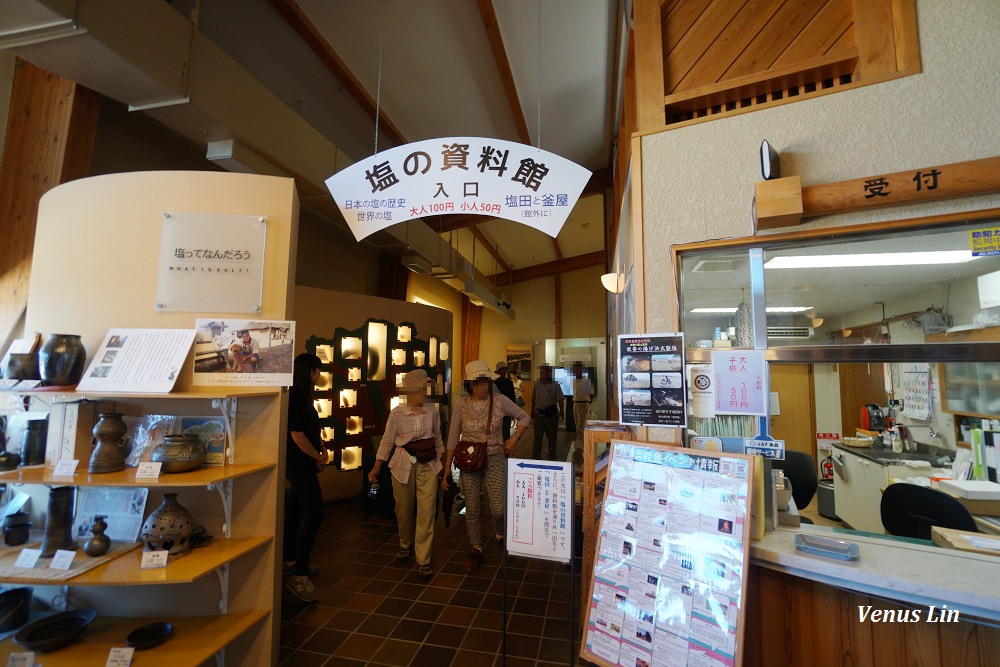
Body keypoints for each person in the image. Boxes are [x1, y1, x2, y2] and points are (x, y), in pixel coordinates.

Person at [443, 359, 530, 573]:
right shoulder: (462, 404)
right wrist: (446, 469)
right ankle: (476, 548)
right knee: (471, 506)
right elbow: (453, 436)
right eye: (477, 382)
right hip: (469, 461)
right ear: (469, 384)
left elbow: (524, 417)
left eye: (485, 381)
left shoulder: (499, 400)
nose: (481, 386)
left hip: (494, 458)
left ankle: (499, 535)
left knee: (499, 508)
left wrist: (513, 439)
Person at [368, 369, 444, 579]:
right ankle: (404, 543)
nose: (424, 392)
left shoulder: (433, 411)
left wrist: (444, 467)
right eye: (420, 388)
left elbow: (438, 438)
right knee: (402, 508)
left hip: (428, 463)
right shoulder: (397, 412)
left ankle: (423, 559)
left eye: (425, 388)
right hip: (402, 464)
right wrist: (376, 466)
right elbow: (387, 441)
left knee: (427, 511)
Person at [283, 352, 327, 603]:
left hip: (304, 463)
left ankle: (292, 559)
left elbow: (311, 430)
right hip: (298, 464)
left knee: (295, 509)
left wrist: (321, 450)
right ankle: (299, 576)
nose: (319, 375)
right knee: (315, 512)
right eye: (317, 370)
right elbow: (298, 436)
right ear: (310, 371)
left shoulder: (302, 397)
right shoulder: (295, 398)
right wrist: (316, 457)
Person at [531, 364, 564, 460]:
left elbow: (560, 400)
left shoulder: (555, 385)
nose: (542, 374)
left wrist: (562, 411)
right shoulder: (537, 384)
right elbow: (533, 398)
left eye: (544, 372)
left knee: (552, 437)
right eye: (541, 372)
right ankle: (536, 457)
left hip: (551, 415)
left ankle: (552, 455)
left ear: (549, 373)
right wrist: (532, 411)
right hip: (538, 414)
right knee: (537, 437)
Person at [493, 361, 517, 441]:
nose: (504, 371)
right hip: (496, 411)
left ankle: (505, 450)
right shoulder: (494, 383)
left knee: (506, 432)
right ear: (498, 371)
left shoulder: (509, 383)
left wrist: (513, 411)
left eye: (504, 369)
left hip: (506, 410)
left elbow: (512, 397)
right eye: (502, 369)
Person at [572, 362, 595, 441]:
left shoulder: (586, 381)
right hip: (575, 404)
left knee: (581, 426)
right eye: (574, 369)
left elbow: (592, 395)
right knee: (577, 425)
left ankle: (582, 445)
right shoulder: (574, 381)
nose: (575, 371)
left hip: (584, 404)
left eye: (577, 369)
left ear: (581, 370)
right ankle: (579, 443)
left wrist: (587, 404)